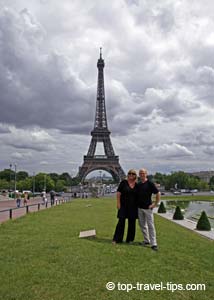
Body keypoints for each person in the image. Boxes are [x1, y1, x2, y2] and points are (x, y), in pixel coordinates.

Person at [137, 168, 160, 251]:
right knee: (142, 225)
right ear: (139, 175)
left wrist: (155, 204)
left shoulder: (150, 184)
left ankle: (154, 243)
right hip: (140, 208)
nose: (142, 174)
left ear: (146, 174)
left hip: (148, 208)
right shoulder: (138, 184)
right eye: (140, 173)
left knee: (151, 226)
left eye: (143, 173)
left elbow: (158, 193)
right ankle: (147, 240)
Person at [112, 169, 138, 244]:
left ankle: (130, 240)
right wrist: (118, 203)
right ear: (128, 174)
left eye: (133, 174)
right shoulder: (123, 182)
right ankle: (117, 239)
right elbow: (118, 193)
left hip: (133, 207)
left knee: (132, 223)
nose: (131, 175)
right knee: (121, 222)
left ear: (135, 176)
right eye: (130, 173)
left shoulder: (137, 185)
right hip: (123, 206)